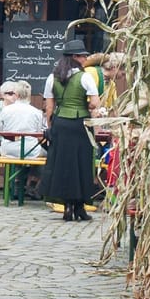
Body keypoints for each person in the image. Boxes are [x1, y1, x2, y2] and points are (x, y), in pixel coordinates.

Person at [43, 39, 103, 221]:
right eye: (83, 56)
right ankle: (80, 207)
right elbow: (94, 103)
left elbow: (49, 108)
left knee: (62, 165)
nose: (85, 59)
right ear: (75, 57)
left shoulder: (52, 77)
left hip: (60, 124)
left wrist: (50, 128)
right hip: (79, 124)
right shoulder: (85, 77)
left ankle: (67, 207)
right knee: (82, 165)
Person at [0, 81, 49, 157]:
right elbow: (38, 135)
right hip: (31, 151)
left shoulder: (6, 110)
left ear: (17, 95)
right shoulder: (37, 112)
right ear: (29, 95)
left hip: (8, 151)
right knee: (46, 155)